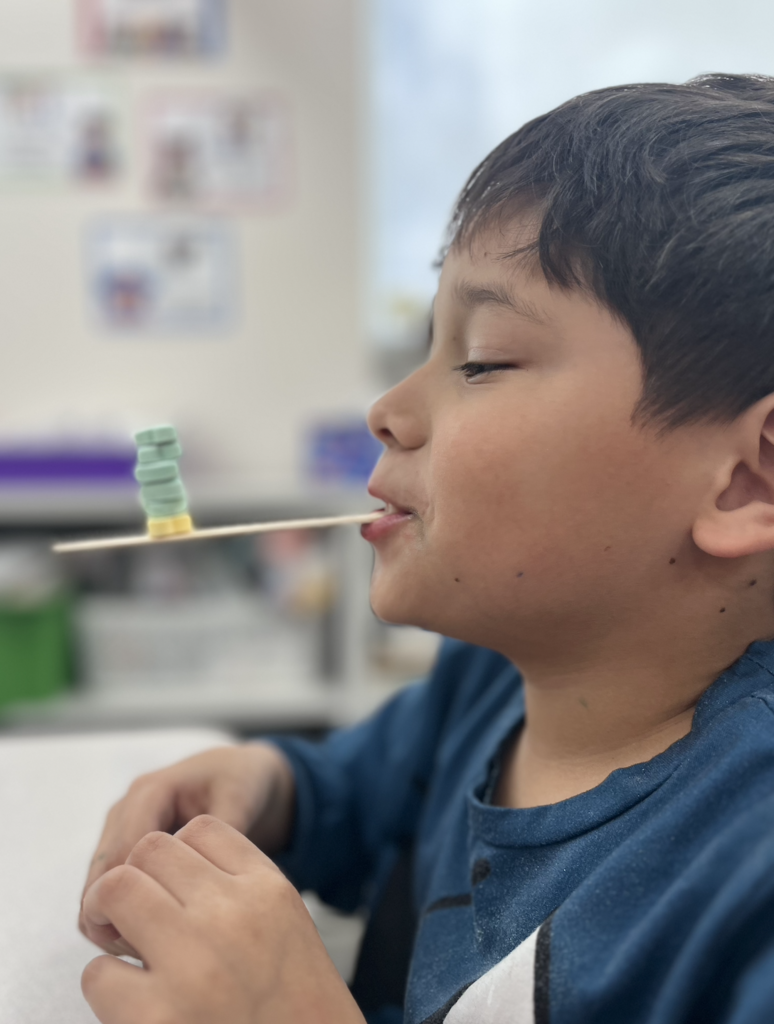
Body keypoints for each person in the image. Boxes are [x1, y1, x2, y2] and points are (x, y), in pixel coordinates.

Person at [79, 74, 774, 1024]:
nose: (389, 410)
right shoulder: (489, 683)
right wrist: (263, 786)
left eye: (481, 358)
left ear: (746, 482)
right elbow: (350, 796)